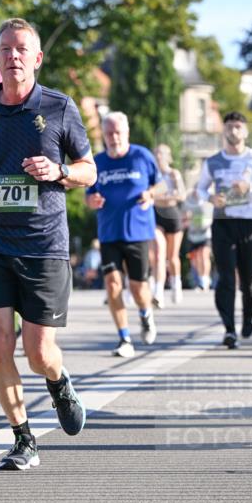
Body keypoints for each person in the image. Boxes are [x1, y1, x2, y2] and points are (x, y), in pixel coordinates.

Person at [0, 17, 96, 470]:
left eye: (21, 49)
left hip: (44, 243)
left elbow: (89, 168)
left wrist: (61, 172)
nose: (13, 56)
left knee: (39, 352)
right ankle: (22, 436)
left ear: (36, 58)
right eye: (5, 49)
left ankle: (59, 381)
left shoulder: (59, 106)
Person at [197, 111, 252, 349]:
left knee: (247, 279)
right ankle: (229, 329)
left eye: (238, 127)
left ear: (245, 131)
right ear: (223, 130)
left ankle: (249, 315)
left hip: (249, 224)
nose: (233, 131)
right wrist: (210, 197)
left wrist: (250, 187)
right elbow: (200, 190)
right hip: (222, 223)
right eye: (229, 127)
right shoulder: (212, 161)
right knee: (225, 277)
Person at [86, 112, 162, 360]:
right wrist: (92, 200)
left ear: (126, 133)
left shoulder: (142, 156)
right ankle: (124, 337)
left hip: (138, 233)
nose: (114, 137)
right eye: (109, 133)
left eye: (118, 132)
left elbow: (160, 184)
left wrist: (151, 194)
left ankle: (145, 314)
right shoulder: (97, 162)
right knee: (113, 285)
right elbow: (89, 196)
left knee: (139, 289)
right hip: (109, 234)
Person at [152, 143, 186, 306]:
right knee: (159, 253)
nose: (158, 156)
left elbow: (181, 194)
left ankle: (176, 285)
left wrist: (161, 197)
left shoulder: (173, 174)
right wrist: (165, 196)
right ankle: (158, 292)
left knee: (172, 257)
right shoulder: (152, 175)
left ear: (168, 156)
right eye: (156, 152)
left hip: (172, 216)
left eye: (162, 153)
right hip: (156, 216)